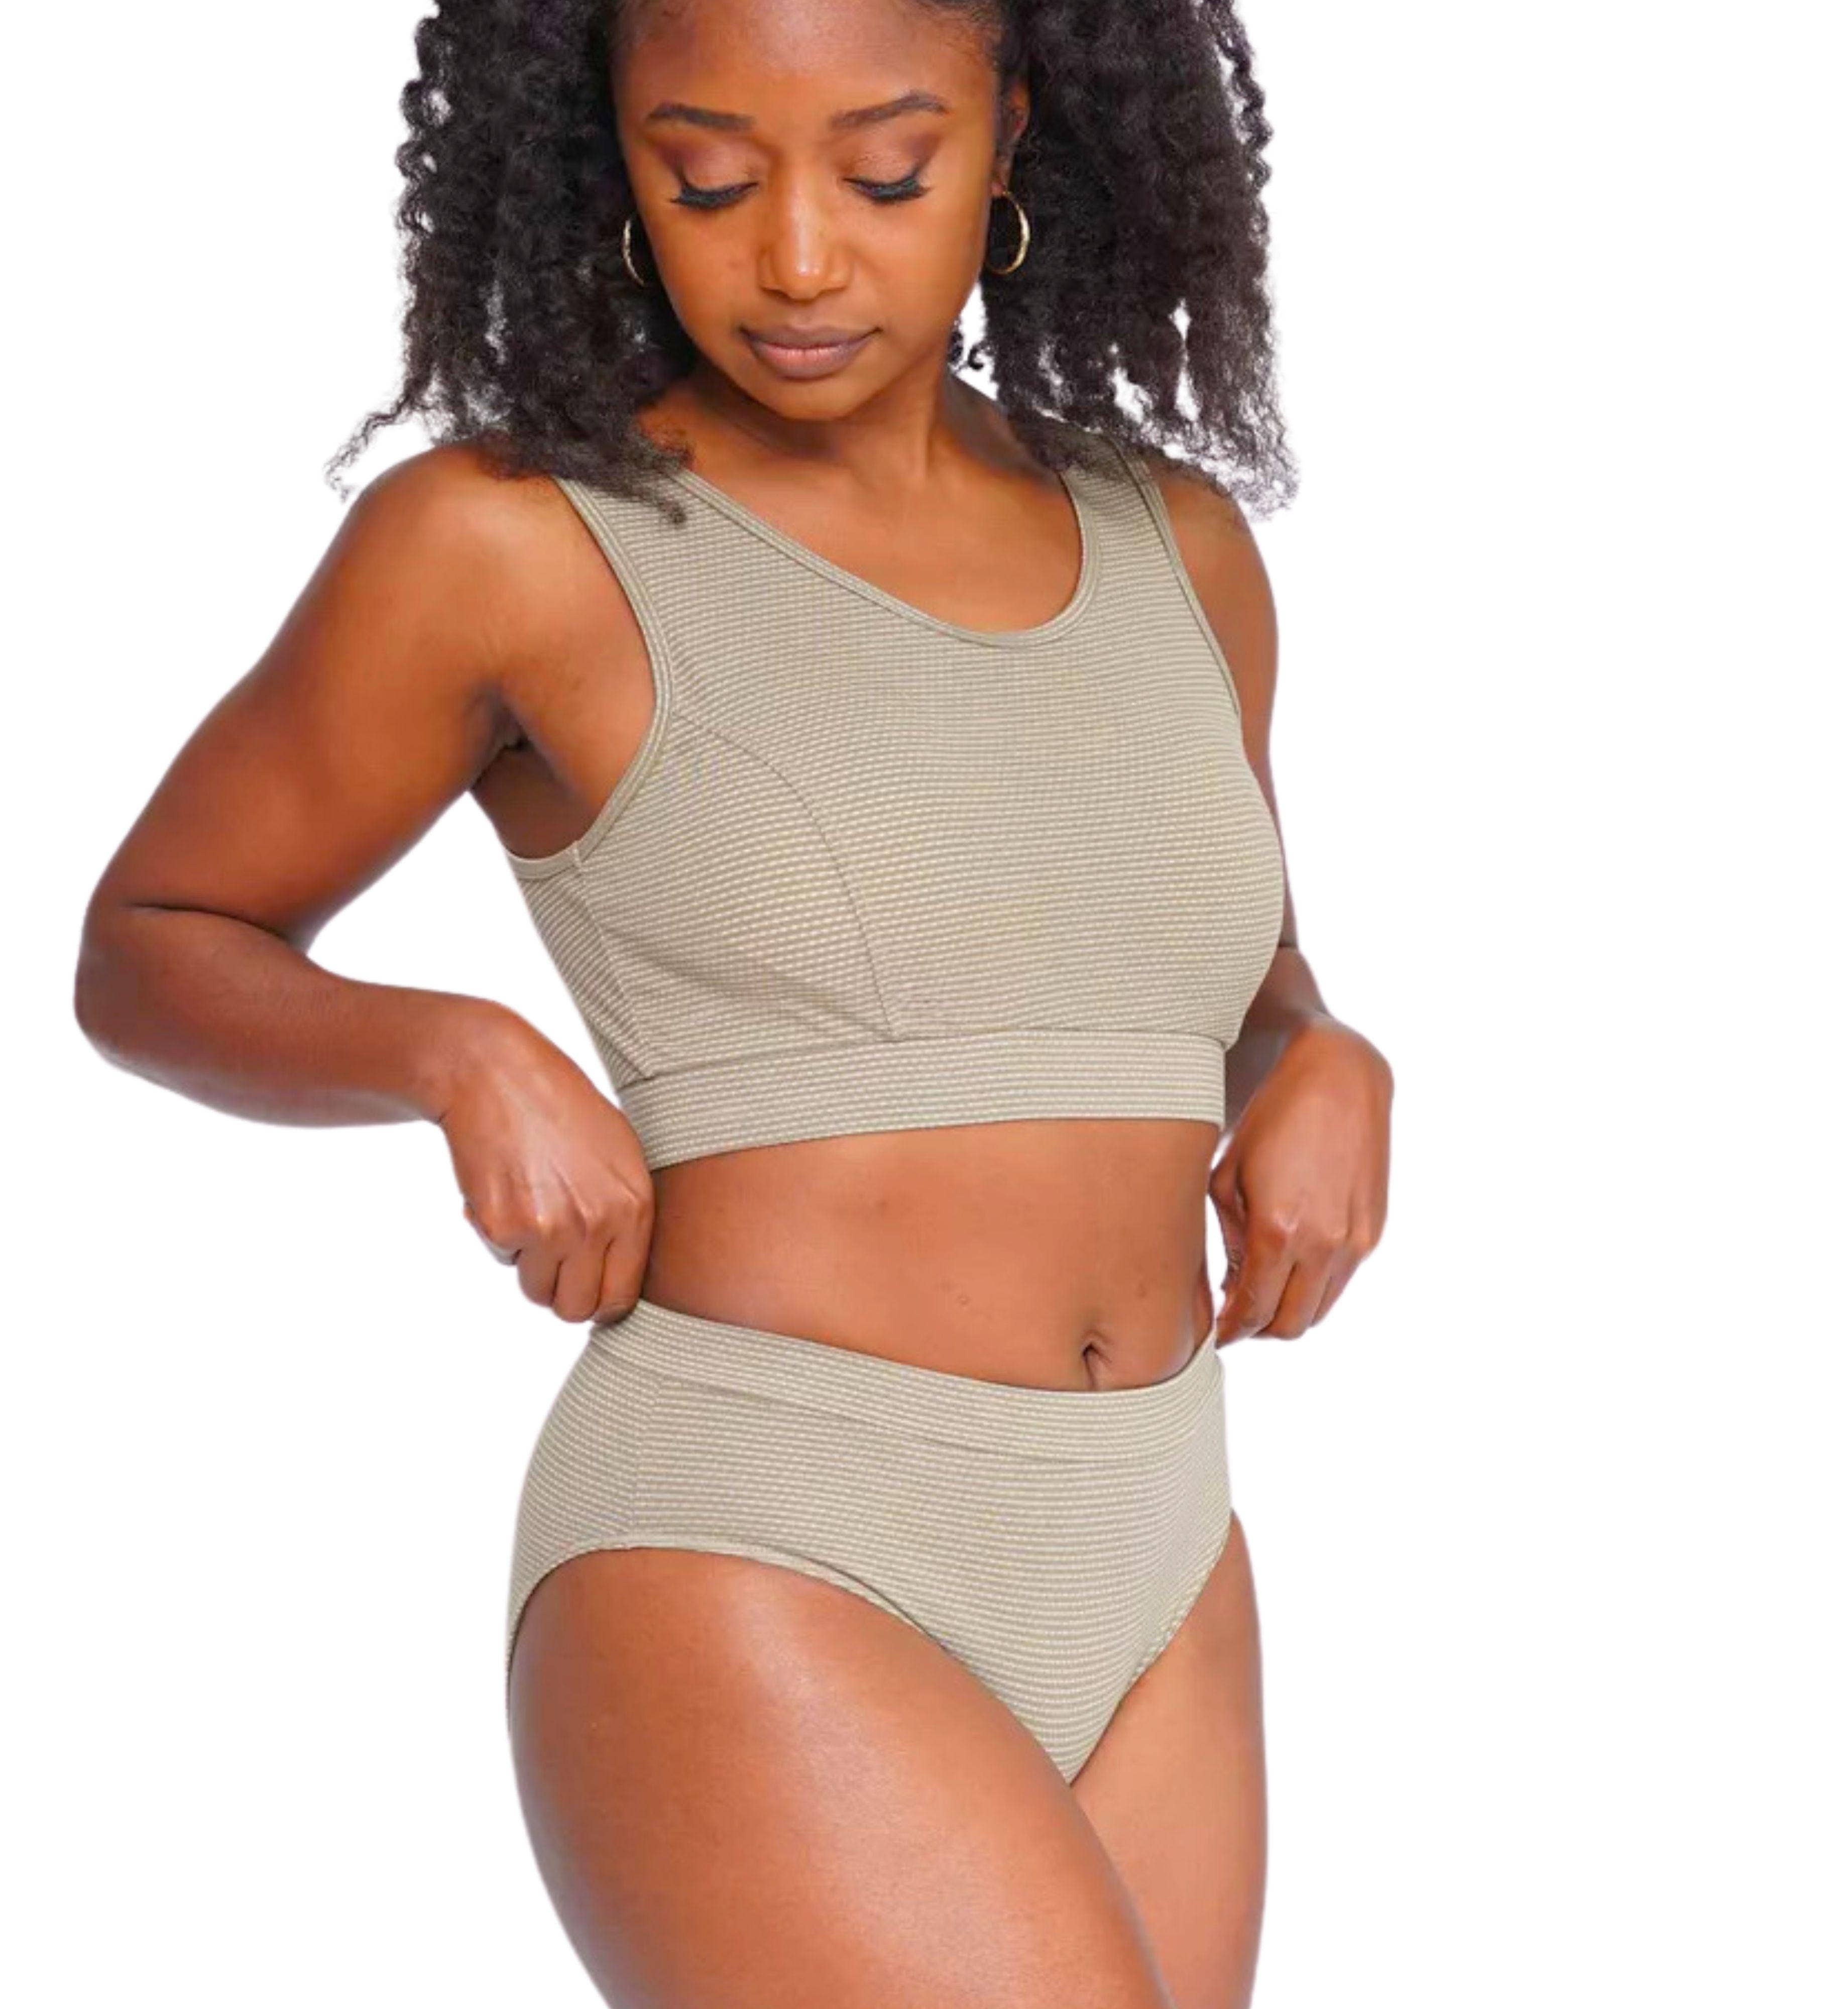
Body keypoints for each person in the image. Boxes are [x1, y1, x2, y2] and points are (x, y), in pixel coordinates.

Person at [74, 1, 1394, 2002]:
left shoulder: (1177, 549)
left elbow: (1214, 969)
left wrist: (1323, 1054)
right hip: (766, 1528)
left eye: (884, 172)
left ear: (1011, 131)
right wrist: (456, 1055)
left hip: (1158, 1541)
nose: (792, 256)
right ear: (608, 157)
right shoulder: (509, 541)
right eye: (704, 178)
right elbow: (155, 937)